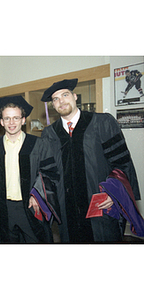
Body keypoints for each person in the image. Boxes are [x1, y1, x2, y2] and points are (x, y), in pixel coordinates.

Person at [36, 78, 141, 243]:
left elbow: (122, 163)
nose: (61, 101)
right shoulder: (49, 133)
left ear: (75, 96)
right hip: (67, 210)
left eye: (65, 95)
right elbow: (47, 172)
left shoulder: (102, 122)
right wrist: (37, 195)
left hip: (100, 204)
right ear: (53, 105)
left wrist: (113, 194)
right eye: (55, 99)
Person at [0, 96, 53, 243]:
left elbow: (50, 172)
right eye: (7, 118)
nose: (11, 123)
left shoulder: (38, 144)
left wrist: (37, 194)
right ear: (1, 122)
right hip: (3, 208)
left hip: (30, 206)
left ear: (23, 120)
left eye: (16, 118)